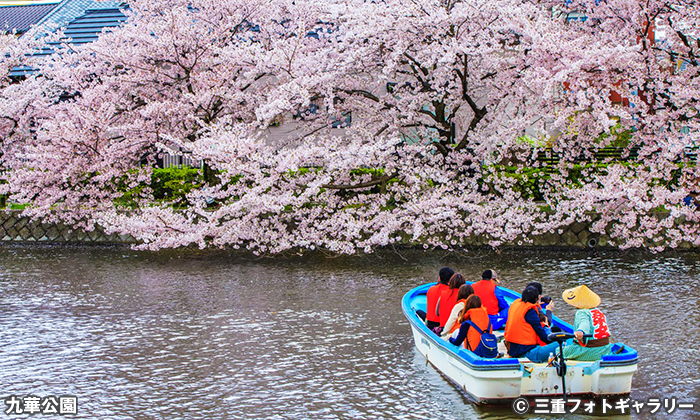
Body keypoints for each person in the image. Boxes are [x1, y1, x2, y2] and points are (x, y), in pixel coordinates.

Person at [504, 286, 559, 362]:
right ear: (537, 299)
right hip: (527, 353)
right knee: (560, 344)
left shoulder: (516, 304)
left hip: (513, 349)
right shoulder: (530, 312)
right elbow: (544, 338)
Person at [560, 285, 614, 361]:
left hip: (590, 351)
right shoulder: (598, 311)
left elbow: (584, 324)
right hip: (605, 350)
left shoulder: (581, 312)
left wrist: (580, 331)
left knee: (558, 351)